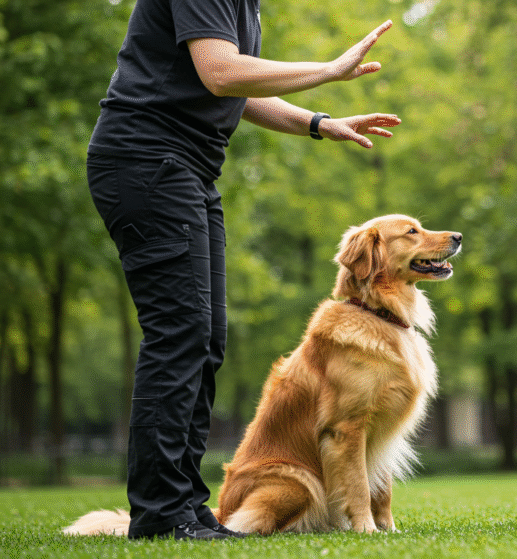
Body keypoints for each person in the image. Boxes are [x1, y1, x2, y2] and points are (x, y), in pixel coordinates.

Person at [86, 0, 400, 540]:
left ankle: (184, 507)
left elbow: (236, 90)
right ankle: (160, 515)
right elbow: (222, 71)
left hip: (189, 169)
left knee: (204, 339)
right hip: (148, 160)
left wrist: (320, 124)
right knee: (179, 335)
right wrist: (328, 70)